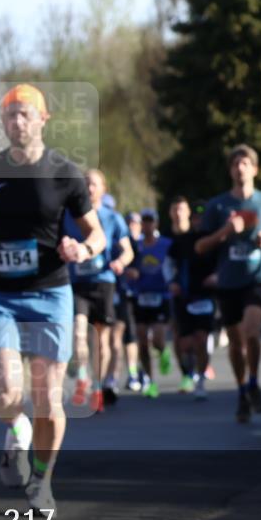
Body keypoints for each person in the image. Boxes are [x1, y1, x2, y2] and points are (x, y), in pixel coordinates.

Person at [0, 83, 105, 516]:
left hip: (49, 292)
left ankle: (42, 480)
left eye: (25, 114)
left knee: (48, 397)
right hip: (1, 295)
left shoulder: (65, 173)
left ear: (43, 119)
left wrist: (83, 249)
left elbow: (96, 233)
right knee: (3, 393)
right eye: (10, 115)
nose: (17, 121)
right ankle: (17, 427)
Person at [196, 144, 261, 423]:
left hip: (257, 278)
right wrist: (226, 231)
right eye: (235, 164)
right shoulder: (218, 205)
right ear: (230, 171)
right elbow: (200, 246)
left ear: (255, 169)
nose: (240, 168)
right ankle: (243, 390)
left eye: (245, 163)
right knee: (235, 343)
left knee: (251, 331)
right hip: (228, 282)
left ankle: (255, 380)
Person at [64, 169, 133, 409]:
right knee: (79, 333)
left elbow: (127, 250)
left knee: (101, 341)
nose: (89, 188)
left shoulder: (113, 218)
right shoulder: (69, 216)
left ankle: (98, 387)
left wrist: (120, 262)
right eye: (85, 184)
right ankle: (83, 376)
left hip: (103, 282)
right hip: (77, 283)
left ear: (103, 188)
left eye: (93, 184)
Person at [167, 197, 218, 400]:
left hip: (205, 296)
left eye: (201, 218)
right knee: (185, 343)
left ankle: (201, 380)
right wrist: (171, 282)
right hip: (184, 297)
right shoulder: (182, 240)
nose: (198, 221)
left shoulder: (214, 240)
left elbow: (224, 263)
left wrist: (217, 276)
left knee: (202, 339)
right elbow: (169, 264)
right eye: (196, 217)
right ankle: (188, 372)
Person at [125, 208, 173, 398]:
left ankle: (163, 351)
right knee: (142, 342)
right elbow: (128, 265)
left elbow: (175, 266)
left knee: (158, 339)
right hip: (140, 297)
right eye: (143, 221)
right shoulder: (135, 246)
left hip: (161, 296)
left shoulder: (166, 244)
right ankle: (150, 381)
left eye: (150, 221)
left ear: (156, 223)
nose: (147, 225)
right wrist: (130, 273)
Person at [108, 211, 143, 394]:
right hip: (110, 293)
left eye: (135, 223)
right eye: (129, 222)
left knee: (130, 337)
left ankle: (132, 373)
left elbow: (138, 271)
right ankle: (112, 376)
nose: (131, 226)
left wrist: (125, 268)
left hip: (128, 296)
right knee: (113, 338)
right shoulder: (109, 241)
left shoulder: (134, 245)